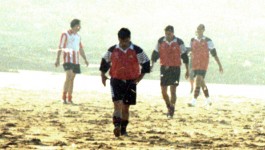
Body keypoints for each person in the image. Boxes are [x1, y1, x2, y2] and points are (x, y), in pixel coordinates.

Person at [99, 28, 150, 137]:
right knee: (117, 104)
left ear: (129, 39)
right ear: (118, 39)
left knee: (126, 107)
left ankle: (123, 129)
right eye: (121, 42)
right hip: (116, 80)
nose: (123, 44)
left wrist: (139, 79)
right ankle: (116, 126)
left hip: (131, 81)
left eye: (126, 41)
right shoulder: (113, 50)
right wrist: (103, 75)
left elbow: (146, 64)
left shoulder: (137, 50)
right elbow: (104, 62)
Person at [151, 25, 189, 118]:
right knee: (163, 91)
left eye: (169, 34)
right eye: (166, 34)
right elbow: (155, 54)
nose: (167, 35)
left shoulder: (179, 42)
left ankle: (171, 110)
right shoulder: (161, 41)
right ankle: (169, 107)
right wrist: (152, 64)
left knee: (173, 90)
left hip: (175, 68)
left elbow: (185, 56)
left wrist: (187, 70)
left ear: (173, 33)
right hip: (164, 68)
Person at [188, 24, 223, 107]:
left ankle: (194, 100)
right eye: (198, 29)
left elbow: (214, 53)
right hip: (194, 63)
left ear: (203, 30)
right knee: (202, 82)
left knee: (198, 79)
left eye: (200, 29)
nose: (199, 31)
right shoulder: (193, 40)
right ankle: (208, 99)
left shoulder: (208, 40)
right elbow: (189, 51)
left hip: (203, 63)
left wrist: (219, 65)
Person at [55, 19, 89, 104]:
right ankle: (64, 97)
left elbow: (80, 48)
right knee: (68, 76)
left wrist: (85, 59)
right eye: (79, 25)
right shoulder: (65, 34)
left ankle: (70, 97)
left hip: (76, 60)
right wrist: (57, 59)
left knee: (72, 78)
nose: (80, 27)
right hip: (67, 58)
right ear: (75, 25)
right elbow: (61, 46)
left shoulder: (78, 36)